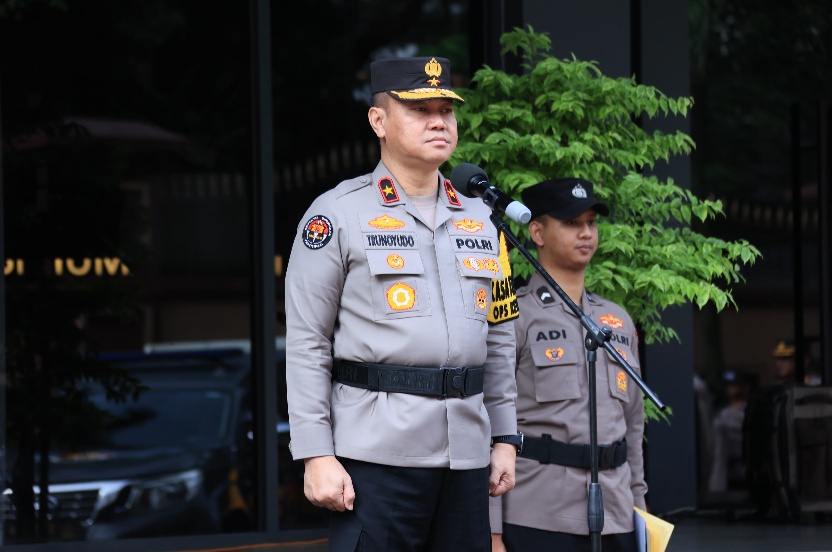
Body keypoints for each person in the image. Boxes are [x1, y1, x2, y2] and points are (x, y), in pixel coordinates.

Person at [284, 56, 521, 552]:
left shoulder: (482, 218)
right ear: (378, 121)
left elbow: (499, 336)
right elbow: (307, 341)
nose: (439, 122)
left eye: (446, 111)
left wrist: (504, 437)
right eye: (419, 110)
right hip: (376, 456)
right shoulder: (338, 213)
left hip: (466, 454)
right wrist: (315, 454)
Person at [490, 178, 646, 552]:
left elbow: (633, 425)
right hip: (539, 514)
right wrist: (492, 531)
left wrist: (640, 510)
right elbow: (488, 421)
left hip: (617, 513)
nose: (586, 233)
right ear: (537, 232)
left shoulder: (616, 320)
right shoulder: (514, 316)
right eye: (572, 223)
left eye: (591, 222)